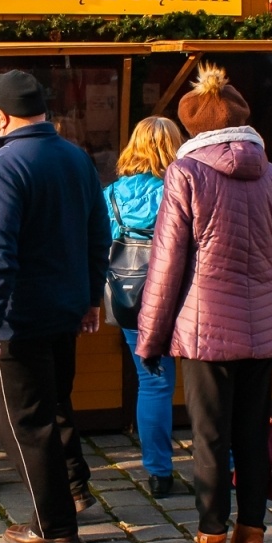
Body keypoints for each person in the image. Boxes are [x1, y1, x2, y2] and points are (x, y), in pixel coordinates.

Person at [138, 65, 272, 543]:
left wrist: (150, 338)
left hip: (205, 331)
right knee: (252, 436)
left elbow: (166, 263)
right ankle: (250, 541)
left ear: (194, 128)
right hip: (265, 331)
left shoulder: (186, 173)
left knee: (210, 439)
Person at [0, 71, 111, 543]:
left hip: (15, 320)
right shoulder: (75, 157)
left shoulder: (3, 167)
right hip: (63, 311)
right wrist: (91, 297)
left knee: (22, 424)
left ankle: (54, 525)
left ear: (1, 116)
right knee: (52, 408)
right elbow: (97, 235)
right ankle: (71, 493)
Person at [102, 116, 183, 498]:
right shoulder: (181, 188)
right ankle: (226, 464)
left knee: (153, 382)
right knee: (207, 382)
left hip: (131, 299)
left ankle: (158, 473)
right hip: (182, 298)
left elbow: (99, 244)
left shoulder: (112, 194)